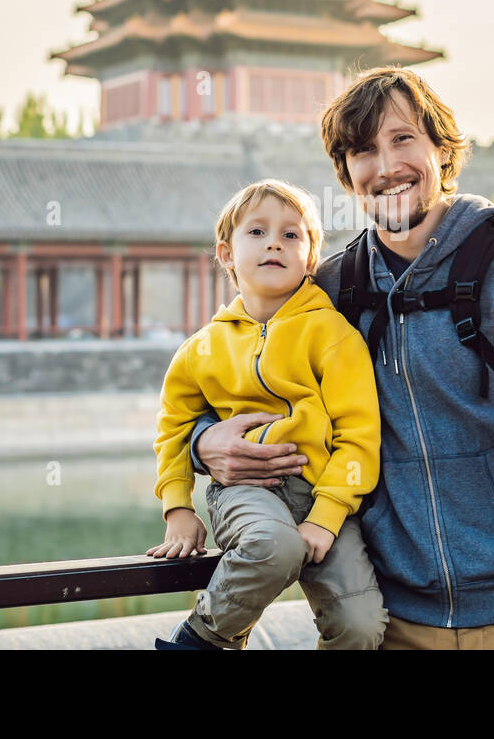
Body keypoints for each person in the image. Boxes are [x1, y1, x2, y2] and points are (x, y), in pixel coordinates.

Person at [187, 66, 494, 649]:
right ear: (346, 174)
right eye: (363, 150)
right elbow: (237, 382)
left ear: (442, 152)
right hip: (394, 622)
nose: (386, 165)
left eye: (403, 139)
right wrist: (202, 442)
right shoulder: (333, 290)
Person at [146, 178, 386, 650]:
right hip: (245, 492)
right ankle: (200, 639)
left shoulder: (333, 336)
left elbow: (359, 436)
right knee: (274, 546)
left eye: (291, 235)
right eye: (256, 232)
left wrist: (327, 515)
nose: (274, 241)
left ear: (311, 259)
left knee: (361, 625)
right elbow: (173, 429)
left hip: (324, 498)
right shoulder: (201, 349)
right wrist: (178, 507)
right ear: (227, 253)